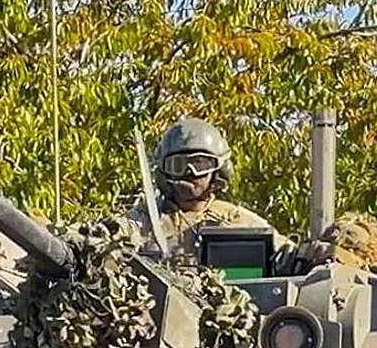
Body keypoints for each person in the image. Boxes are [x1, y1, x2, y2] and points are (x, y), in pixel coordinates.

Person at [124, 117, 329, 273]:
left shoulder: (237, 221)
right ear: (164, 170)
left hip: (224, 321)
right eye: (178, 165)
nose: (190, 172)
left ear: (219, 169)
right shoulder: (144, 220)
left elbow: (288, 257)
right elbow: (111, 236)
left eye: (200, 164)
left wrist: (322, 255)